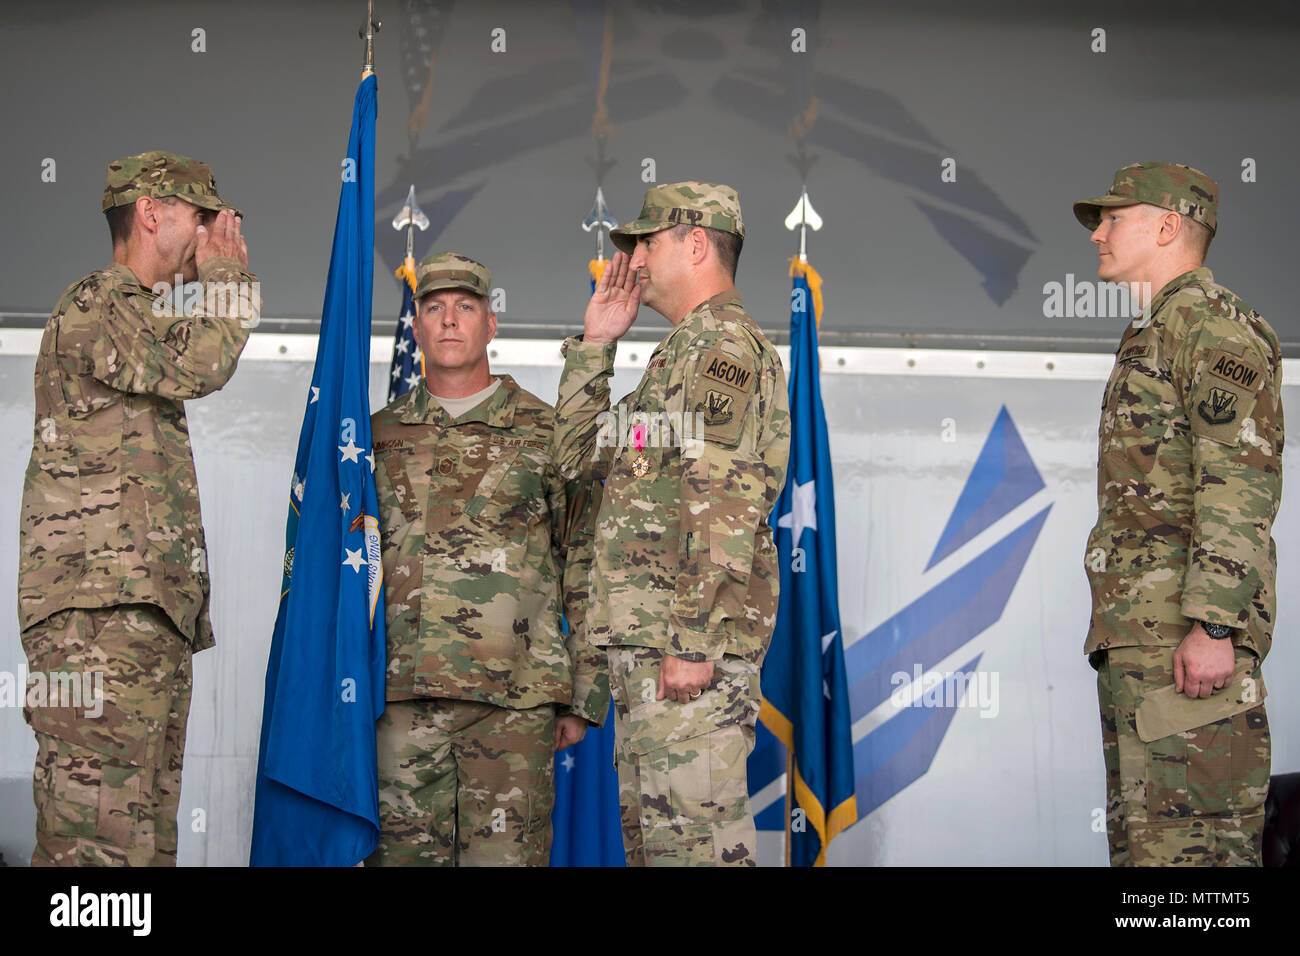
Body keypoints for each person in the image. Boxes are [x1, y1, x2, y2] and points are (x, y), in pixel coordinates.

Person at [19, 150, 257, 866]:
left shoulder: (139, 315)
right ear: (152, 212)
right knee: (93, 845)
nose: (210, 235)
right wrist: (227, 278)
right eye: (200, 217)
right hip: (98, 621)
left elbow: (184, 353)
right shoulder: (99, 300)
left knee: (141, 841)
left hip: (140, 619)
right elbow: (199, 363)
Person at [553, 182, 791, 866]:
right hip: (651, 655)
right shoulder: (674, 359)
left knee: (699, 851)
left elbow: (725, 496)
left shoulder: (724, 349)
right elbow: (576, 461)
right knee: (665, 852)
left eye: (645, 242)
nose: (629, 261)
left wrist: (692, 638)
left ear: (694, 244)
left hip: (687, 655)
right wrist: (596, 345)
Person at [365, 252, 607, 866]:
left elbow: (584, 555)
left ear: (490, 324)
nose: (449, 321)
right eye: (434, 307)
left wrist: (585, 693)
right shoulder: (375, 436)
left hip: (514, 705)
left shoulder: (545, 430)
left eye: (465, 308)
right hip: (398, 703)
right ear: (415, 325)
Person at [1076, 162, 1283, 866]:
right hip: (1146, 645)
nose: (1098, 234)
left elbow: (1240, 477)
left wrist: (1214, 623)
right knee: (1150, 857)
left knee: (1198, 866)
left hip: (1188, 648)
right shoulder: (1155, 328)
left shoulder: (1209, 326)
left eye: (1114, 218)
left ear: (1167, 226)